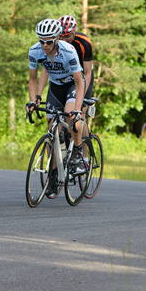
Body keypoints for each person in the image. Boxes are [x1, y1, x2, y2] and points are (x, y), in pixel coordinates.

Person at [26, 18, 85, 194]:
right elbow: (32, 78)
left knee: (69, 115)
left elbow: (79, 83)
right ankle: (53, 176)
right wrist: (34, 99)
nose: (44, 45)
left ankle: (78, 151)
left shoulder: (69, 51)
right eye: (41, 41)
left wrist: (77, 109)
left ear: (57, 38)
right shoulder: (34, 51)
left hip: (72, 85)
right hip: (56, 87)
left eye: (49, 42)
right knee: (52, 131)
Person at [57, 14, 94, 128]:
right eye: (61, 36)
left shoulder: (84, 42)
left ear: (74, 32)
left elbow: (87, 73)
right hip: (67, 75)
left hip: (84, 74)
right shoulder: (54, 42)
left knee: (80, 113)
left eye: (67, 36)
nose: (64, 40)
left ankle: (83, 140)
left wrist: (81, 97)